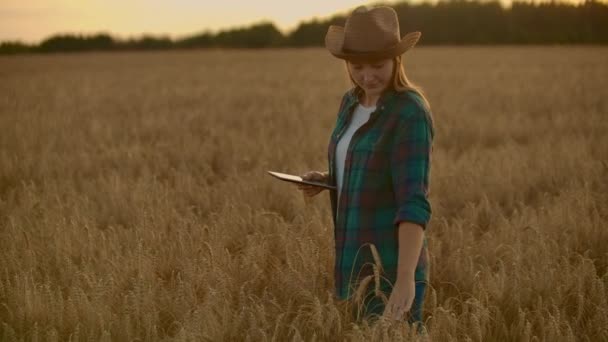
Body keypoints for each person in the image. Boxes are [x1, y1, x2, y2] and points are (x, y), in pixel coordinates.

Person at [296, 5, 434, 329]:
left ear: (396, 60)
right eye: (357, 66)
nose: (367, 75)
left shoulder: (409, 113)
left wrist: (404, 280)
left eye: (377, 65)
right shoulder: (350, 102)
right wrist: (330, 180)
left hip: (388, 267)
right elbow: (368, 166)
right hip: (350, 265)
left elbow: (413, 201)